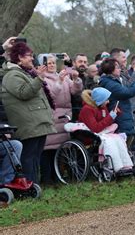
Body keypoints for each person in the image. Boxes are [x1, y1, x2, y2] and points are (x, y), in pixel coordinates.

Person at [1, 42, 55, 183]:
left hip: (36, 122)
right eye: (29, 56)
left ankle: (34, 186)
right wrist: (39, 78)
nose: (32, 58)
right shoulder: (12, 75)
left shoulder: (25, 73)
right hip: (28, 124)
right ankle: (28, 187)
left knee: (36, 157)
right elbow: (24, 93)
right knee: (29, 157)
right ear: (19, 58)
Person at [41, 54, 83, 183]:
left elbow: (75, 91)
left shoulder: (63, 77)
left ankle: (58, 177)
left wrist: (76, 79)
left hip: (65, 117)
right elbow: (51, 95)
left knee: (60, 149)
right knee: (48, 149)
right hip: (52, 116)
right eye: (49, 63)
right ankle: (47, 179)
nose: (52, 65)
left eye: (53, 63)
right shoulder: (43, 79)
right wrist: (59, 81)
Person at [78, 88, 134, 172]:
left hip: (102, 133)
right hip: (90, 136)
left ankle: (126, 165)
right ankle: (114, 166)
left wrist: (115, 114)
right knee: (110, 141)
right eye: (106, 99)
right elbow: (95, 128)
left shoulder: (102, 107)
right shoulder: (87, 109)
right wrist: (111, 116)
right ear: (100, 100)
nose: (108, 101)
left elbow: (106, 122)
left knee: (118, 139)